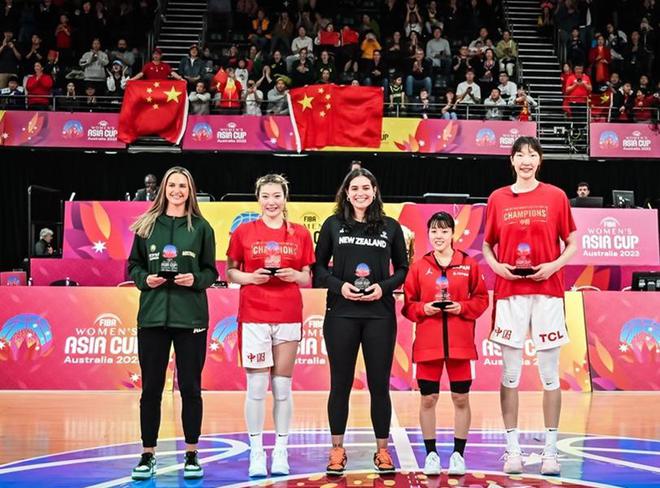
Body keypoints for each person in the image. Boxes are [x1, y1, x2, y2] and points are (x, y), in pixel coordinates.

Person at [482, 136, 577, 476]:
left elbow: (572, 242)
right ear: (512, 160)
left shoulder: (556, 196)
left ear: (539, 161)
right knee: (511, 374)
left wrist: (554, 266)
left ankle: (551, 452)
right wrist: (496, 267)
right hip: (510, 292)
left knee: (550, 375)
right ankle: (512, 450)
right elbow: (488, 245)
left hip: (548, 291)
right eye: (520, 155)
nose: (526, 160)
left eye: (532, 155)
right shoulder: (497, 198)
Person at [314, 168, 409, 475]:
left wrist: (383, 287)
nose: (360, 193)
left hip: (379, 315)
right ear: (346, 192)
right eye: (354, 188)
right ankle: (337, 449)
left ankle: (382, 451)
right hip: (341, 314)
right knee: (339, 384)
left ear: (374, 191)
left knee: (379, 385)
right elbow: (318, 269)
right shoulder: (333, 225)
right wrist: (339, 286)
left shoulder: (391, 227)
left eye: (366, 188)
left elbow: (403, 269)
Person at [127, 166, 218, 480]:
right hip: (152, 317)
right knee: (151, 389)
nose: (177, 191)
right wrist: (144, 279)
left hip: (190, 317)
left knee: (190, 388)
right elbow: (133, 265)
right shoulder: (147, 224)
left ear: (190, 191)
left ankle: (191, 454)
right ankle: (147, 454)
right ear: (163, 189)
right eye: (172, 185)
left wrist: (196, 279)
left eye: (183, 186)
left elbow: (211, 272)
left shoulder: (201, 227)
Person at [226, 174, 314, 478]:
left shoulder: (300, 233)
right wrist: (251, 278)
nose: (271, 202)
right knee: (256, 387)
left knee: (281, 388)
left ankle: (280, 450)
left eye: (277, 196)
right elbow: (231, 272)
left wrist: (294, 275)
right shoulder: (244, 232)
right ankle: (256, 452)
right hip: (254, 315)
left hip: (288, 314)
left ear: (285, 198)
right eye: (266, 196)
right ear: (258, 198)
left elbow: (307, 276)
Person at [402, 211, 488, 476]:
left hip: (461, 345)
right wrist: (423, 309)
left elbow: (481, 300)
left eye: (444, 231)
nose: (438, 236)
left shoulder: (468, 264)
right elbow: (408, 305)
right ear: (428, 234)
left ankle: (458, 455)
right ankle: (431, 455)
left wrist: (461, 307)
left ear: (453, 234)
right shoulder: (419, 267)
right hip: (428, 346)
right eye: (434, 231)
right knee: (428, 399)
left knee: (461, 398)